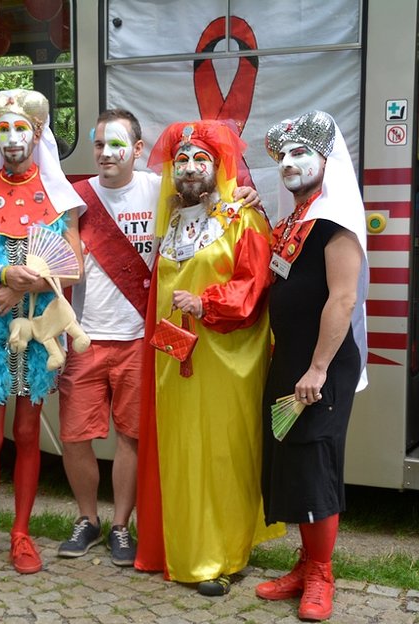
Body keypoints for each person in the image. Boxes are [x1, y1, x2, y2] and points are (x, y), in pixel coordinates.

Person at [58, 109, 262, 566]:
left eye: (117, 145)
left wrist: (245, 194)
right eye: (99, 145)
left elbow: (214, 204)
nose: (106, 153)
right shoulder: (74, 198)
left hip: (140, 339)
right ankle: (87, 519)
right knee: (75, 435)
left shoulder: (160, 190)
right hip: (84, 336)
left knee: (132, 436)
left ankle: (121, 527)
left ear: (136, 150)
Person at [134, 119, 283, 596]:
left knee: (222, 452)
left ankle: (220, 554)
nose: (191, 168)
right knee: (180, 451)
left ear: (219, 166)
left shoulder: (243, 218)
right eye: (182, 160)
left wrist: (208, 302)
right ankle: (184, 549)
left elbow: (253, 285)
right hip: (174, 361)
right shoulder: (174, 220)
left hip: (226, 361)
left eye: (202, 159)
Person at [0, 88, 85, 574]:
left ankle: (22, 533)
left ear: (36, 135)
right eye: (2, 129)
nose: (12, 138)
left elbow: (74, 270)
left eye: (20, 128)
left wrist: (29, 283)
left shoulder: (57, 197)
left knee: (28, 432)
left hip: (37, 331)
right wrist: (3, 278)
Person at [256, 109, 368, 621]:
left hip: (322, 366)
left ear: (326, 160)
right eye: (284, 155)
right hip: (291, 360)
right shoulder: (294, 219)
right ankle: (305, 565)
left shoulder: (336, 220)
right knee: (292, 463)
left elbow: (342, 299)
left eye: (302, 153)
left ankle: (322, 575)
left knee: (317, 463)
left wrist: (318, 369)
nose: (290, 163)